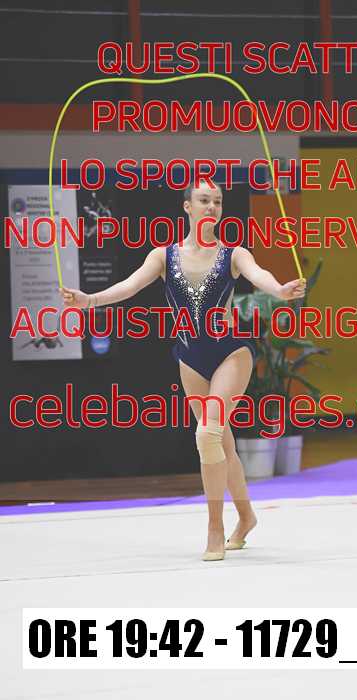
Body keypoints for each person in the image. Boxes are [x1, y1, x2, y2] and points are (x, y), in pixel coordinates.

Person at [59, 182, 306, 561]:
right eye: (204, 200)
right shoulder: (163, 256)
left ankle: (214, 528)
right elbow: (130, 286)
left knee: (207, 434)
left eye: (217, 201)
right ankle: (246, 517)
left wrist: (280, 291)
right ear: (187, 207)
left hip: (230, 352)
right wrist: (90, 299)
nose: (212, 207)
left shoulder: (234, 254)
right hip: (191, 357)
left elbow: (260, 276)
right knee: (222, 444)